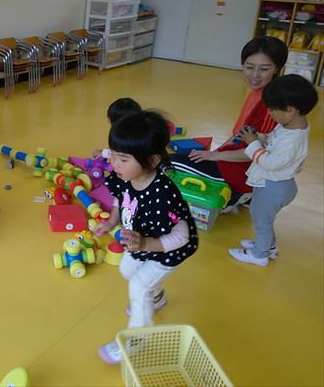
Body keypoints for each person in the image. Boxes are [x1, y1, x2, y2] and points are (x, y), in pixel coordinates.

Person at [93, 111, 199, 365]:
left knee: (139, 286)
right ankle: (157, 297)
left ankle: (136, 340)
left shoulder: (163, 195)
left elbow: (182, 236)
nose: (114, 163)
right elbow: (120, 199)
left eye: (122, 158)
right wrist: (112, 221)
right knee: (127, 270)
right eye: (113, 154)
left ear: (151, 160)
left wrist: (146, 244)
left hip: (168, 249)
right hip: (142, 241)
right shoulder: (125, 176)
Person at [171, 37, 287, 209]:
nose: (255, 75)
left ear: (277, 68)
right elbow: (240, 135)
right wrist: (215, 153)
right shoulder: (259, 92)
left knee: (166, 163)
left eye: (264, 69)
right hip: (233, 162)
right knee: (184, 160)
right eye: (249, 67)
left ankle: (239, 192)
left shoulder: (271, 105)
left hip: (243, 172)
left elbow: (260, 153)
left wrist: (215, 156)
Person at [227, 75, 318, 266]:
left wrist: (253, 144)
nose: (269, 112)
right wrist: (258, 137)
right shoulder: (291, 125)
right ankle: (269, 246)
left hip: (273, 186)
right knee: (262, 217)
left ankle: (259, 255)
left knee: (261, 221)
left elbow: (272, 162)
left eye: (272, 109)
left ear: (291, 110)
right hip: (276, 184)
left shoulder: (292, 139)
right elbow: (273, 141)